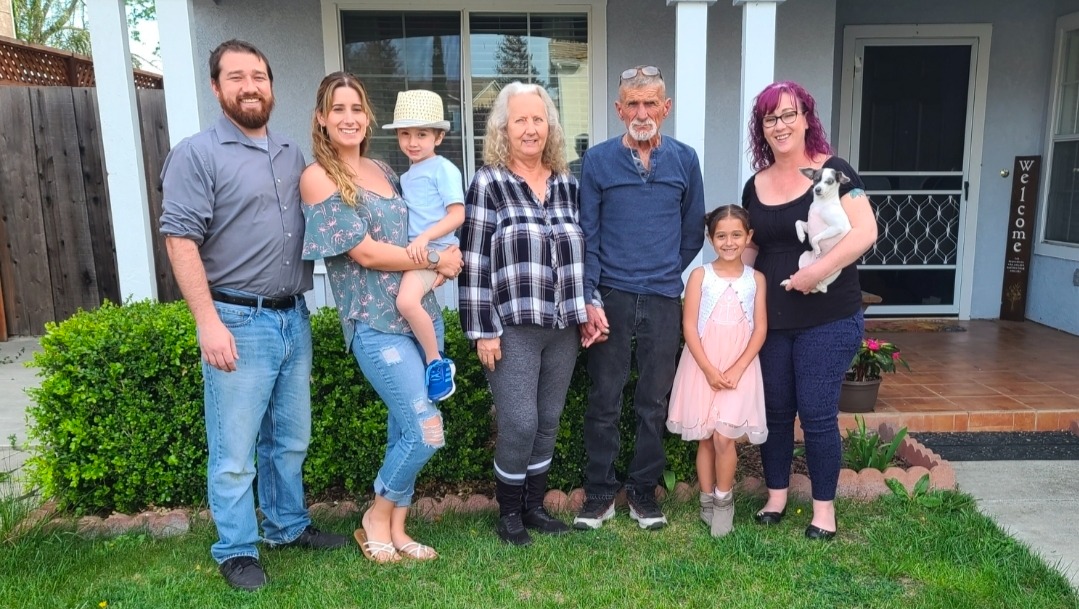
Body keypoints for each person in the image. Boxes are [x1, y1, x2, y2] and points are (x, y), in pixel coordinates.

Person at [160, 40, 347, 592]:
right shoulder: (197, 154)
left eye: (259, 76)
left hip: (294, 317)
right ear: (216, 87)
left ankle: (287, 526)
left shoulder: (290, 153)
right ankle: (237, 548)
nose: (250, 86)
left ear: (271, 85)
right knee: (235, 451)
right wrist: (207, 322)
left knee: (289, 440)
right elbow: (180, 240)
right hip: (237, 319)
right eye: (236, 77)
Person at [300, 72, 463, 562]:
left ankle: (397, 528)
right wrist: (437, 259)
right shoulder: (320, 177)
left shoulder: (387, 171)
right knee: (426, 430)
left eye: (357, 108)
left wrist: (440, 266)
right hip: (373, 323)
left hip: (420, 315)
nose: (349, 118)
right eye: (338, 109)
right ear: (322, 118)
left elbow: (422, 229)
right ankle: (375, 515)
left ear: (367, 118)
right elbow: (367, 253)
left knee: (402, 429)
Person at [459, 82, 601, 546]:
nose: (530, 128)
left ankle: (534, 507)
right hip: (512, 327)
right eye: (520, 120)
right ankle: (508, 514)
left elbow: (586, 255)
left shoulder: (568, 185)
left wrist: (590, 305)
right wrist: (482, 329)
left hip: (563, 326)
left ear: (550, 127)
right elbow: (475, 259)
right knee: (520, 422)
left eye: (538, 119)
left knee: (548, 419)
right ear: (503, 128)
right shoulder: (489, 183)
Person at [741, 81, 877, 540]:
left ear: (805, 119)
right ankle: (776, 497)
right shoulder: (755, 184)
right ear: (762, 128)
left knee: (817, 413)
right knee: (777, 411)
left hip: (828, 317)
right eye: (770, 118)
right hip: (772, 321)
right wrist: (728, 287)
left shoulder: (834, 171)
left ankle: (823, 511)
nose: (779, 125)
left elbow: (865, 232)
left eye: (788, 115)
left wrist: (814, 272)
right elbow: (753, 247)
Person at [575, 65, 705, 531]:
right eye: (633, 103)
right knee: (604, 398)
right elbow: (587, 234)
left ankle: (644, 494)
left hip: (664, 296)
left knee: (653, 402)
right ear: (619, 109)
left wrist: (666, 270)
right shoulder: (597, 161)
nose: (642, 112)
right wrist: (590, 296)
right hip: (611, 295)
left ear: (666, 108)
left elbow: (692, 231)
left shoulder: (685, 160)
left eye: (651, 103)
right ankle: (599, 494)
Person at [666, 205, 768, 538]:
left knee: (725, 436)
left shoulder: (756, 280)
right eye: (721, 236)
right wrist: (708, 369)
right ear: (710, 239)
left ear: (748, 237)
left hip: (740, 367)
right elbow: (689, 327)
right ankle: (706, 499)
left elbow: (760, 329)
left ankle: (724, 500)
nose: (729, 242)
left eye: (736, 235)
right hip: (703, 366)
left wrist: (738, 368)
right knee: (707, 436)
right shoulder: (700, 276)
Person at [380, 89, 465, 402]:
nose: (412, 142)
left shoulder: (444, 169)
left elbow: (457, 214)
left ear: (438, 137)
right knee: (406, 304)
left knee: (406, 303)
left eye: (422, 134)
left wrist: (427, 239)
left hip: (436, 250)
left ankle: (436, 362)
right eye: (405, 134)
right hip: (418, 256)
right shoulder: (407, 176)